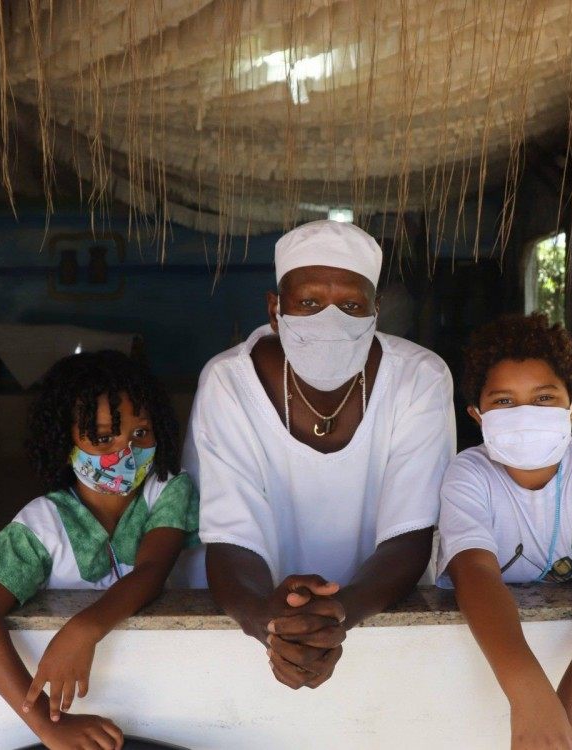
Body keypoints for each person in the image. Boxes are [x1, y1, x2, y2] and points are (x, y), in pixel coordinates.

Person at [183, 219, 454, 690]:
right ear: (274, 310)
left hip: (382, 614)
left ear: (376, 311)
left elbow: (411, 535)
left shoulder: (419, 379)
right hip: (244, 624)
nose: (331, 322)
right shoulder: (228, 381)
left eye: (350, 305)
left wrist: (338, 616)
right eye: (308, 303)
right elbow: (229, 539)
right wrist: (271, 625)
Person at [0, 350, 200, 750]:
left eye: (140, 434)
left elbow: (152, 570)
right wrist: (48, 726)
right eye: (103, 438)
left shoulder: (168, 489)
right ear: (62, 439)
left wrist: (83, 629)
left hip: (173, 696)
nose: (125, 452)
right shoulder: (41, 524)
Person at [437, 313, 572, 749]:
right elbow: (473, 573)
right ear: (477, 415)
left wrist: (570, 709)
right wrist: (529, 695)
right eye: (503, 402)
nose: (524, 414)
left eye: (543, 398)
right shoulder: (468, 474)